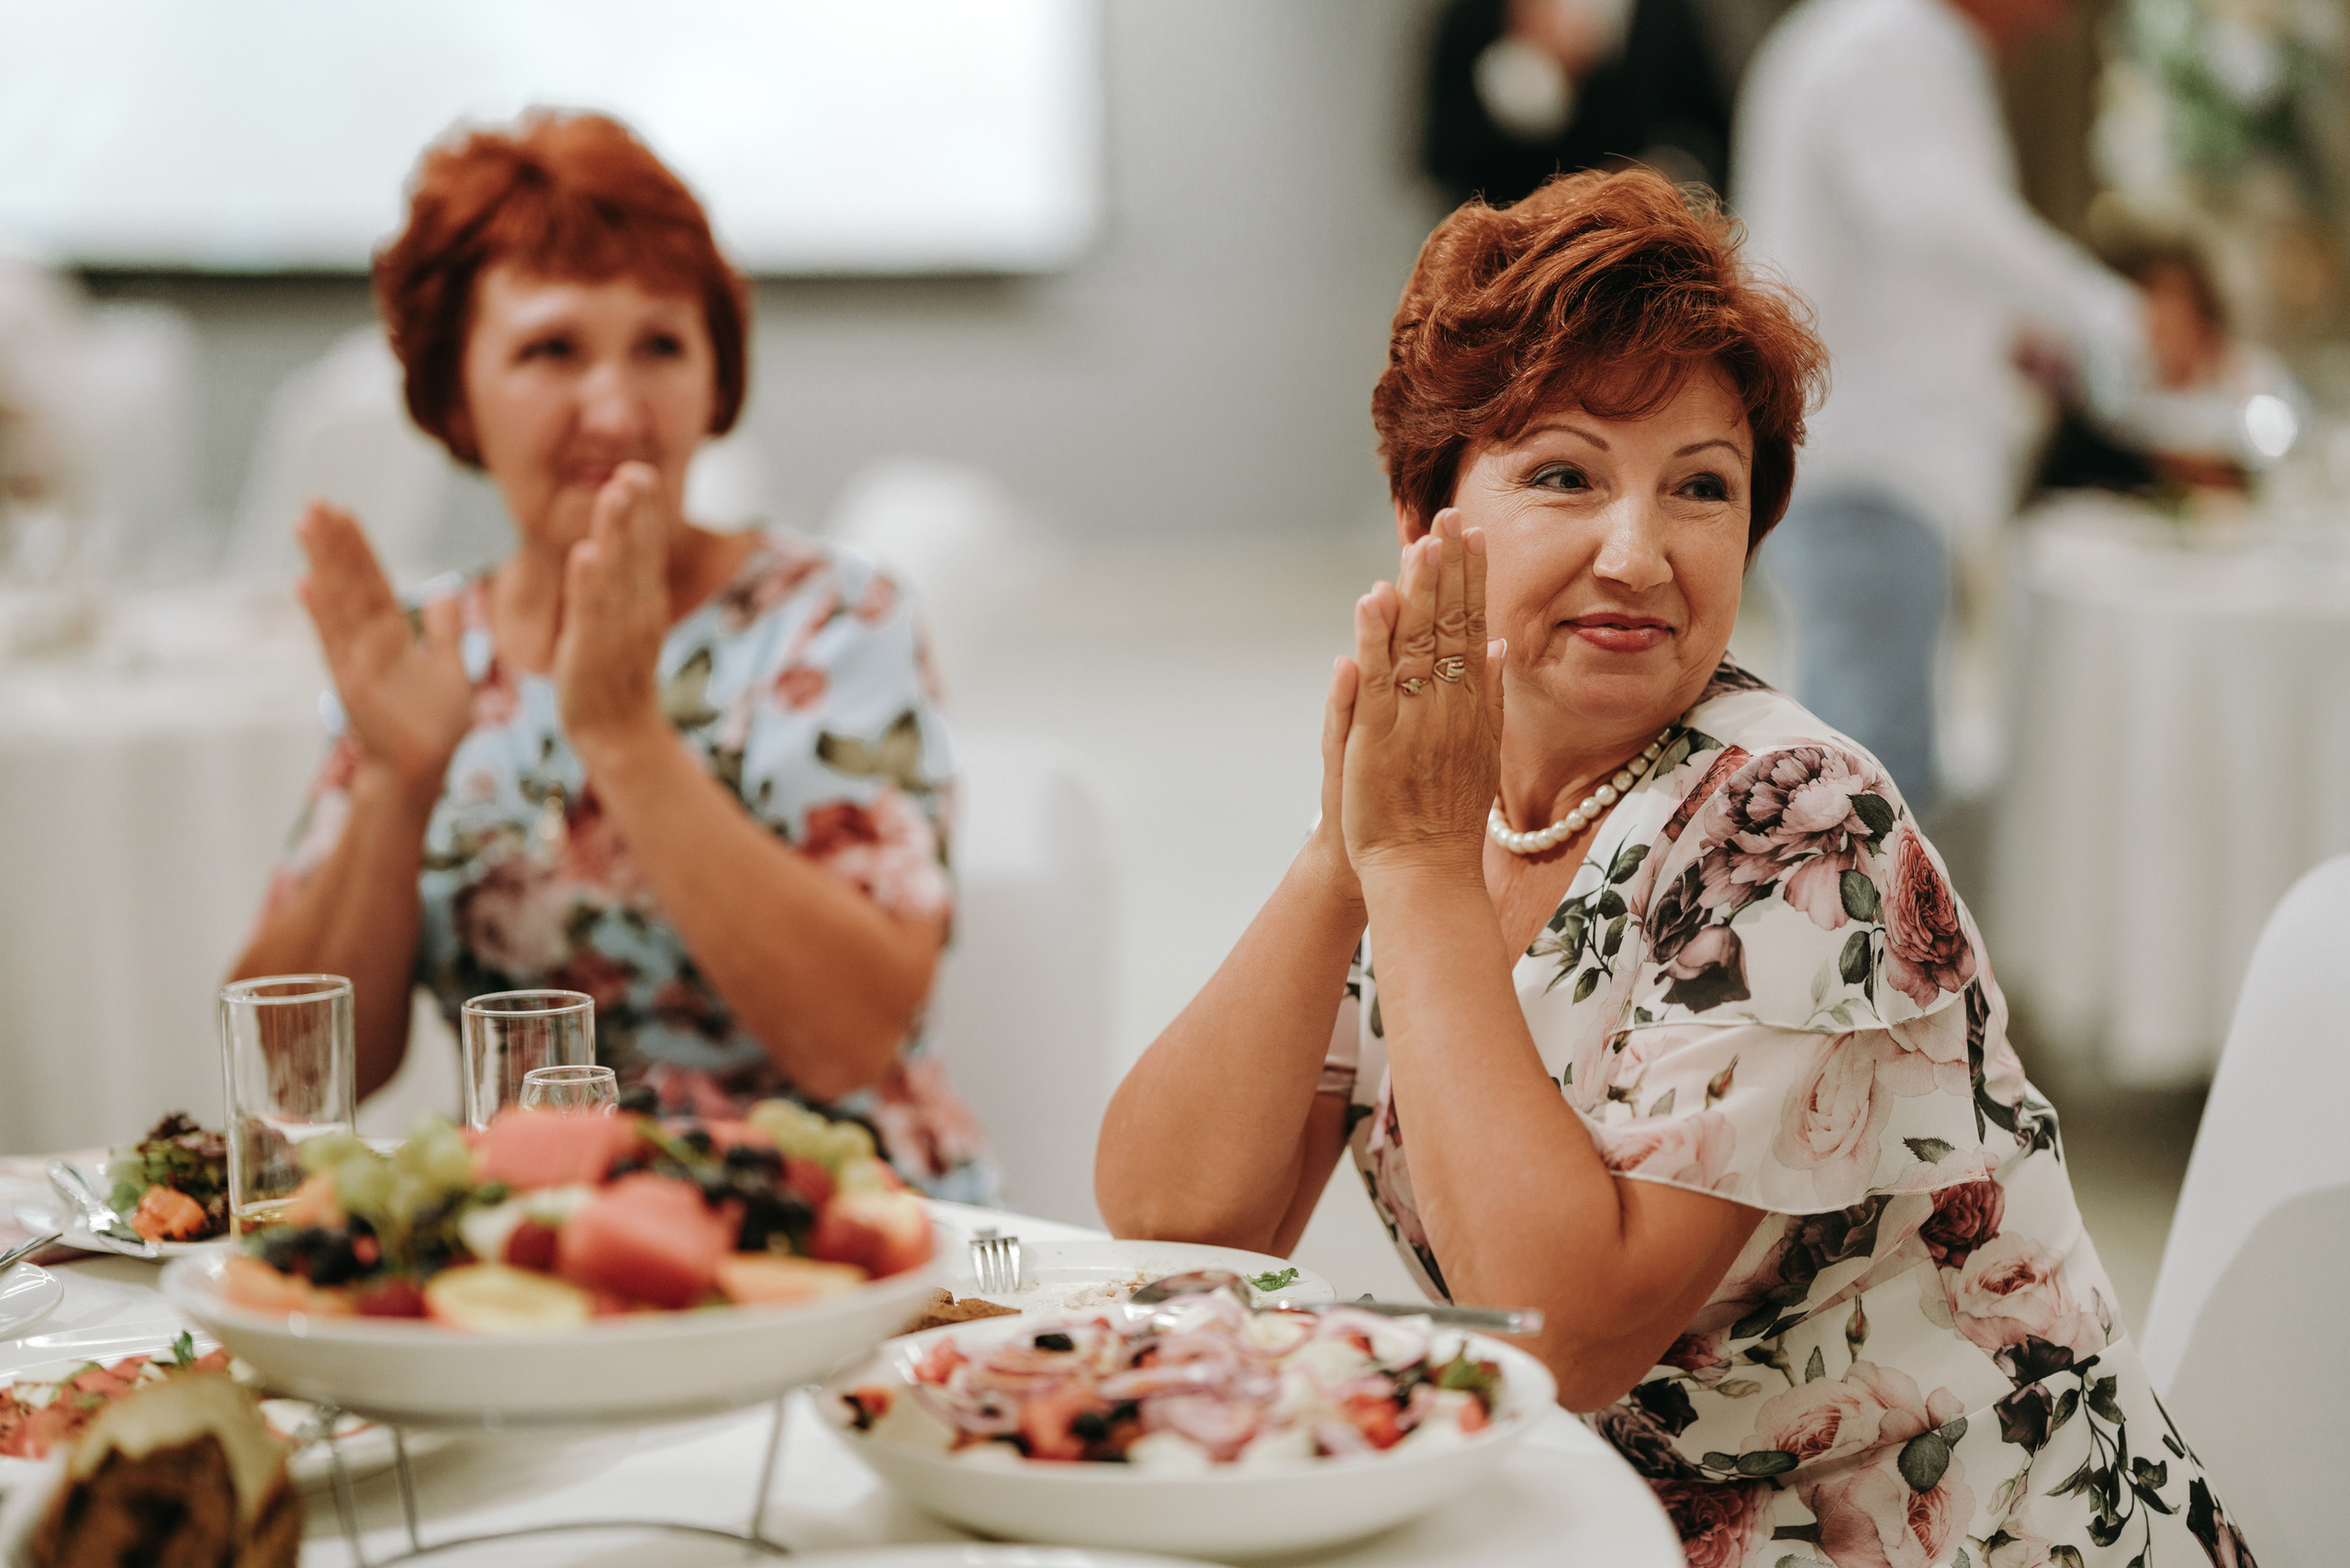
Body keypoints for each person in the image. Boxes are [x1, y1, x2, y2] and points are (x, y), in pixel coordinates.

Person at [1097, 170, 2253, 1567]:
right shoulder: (1444, 802)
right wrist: (1343, 854)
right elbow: (1173, 1219)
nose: (1636, 554)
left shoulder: (1804, 823)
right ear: (1427, 521)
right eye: (1565, 474)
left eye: (1700, 488)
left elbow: (1562, 1330)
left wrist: (1407, 874)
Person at [229, 112, 994, 1201]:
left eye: (661, 346)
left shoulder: (830, 619)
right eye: (552, 349)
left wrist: (625, 734)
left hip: (838, 1239)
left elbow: (851, 1039)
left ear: (715, 379)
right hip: (528, 1245)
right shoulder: (426, 654)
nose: (618, 408)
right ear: (454, 393)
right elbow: (288, 1075)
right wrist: (397, 784)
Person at [1732, 0, 2149, 811]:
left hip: (1866, 456)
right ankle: (1872, 943)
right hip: (1868, 460)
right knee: (1868, 780)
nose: (2060, 20)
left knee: (1862, 751)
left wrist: (2019, 336)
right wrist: (2107, 313)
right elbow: (1936, 216)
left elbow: (1909, 251)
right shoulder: (1894, 41)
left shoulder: (1876, 37)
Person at [1424, 0, 1733, 207]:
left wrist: (1657, 175)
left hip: (1627, 263)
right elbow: (1444, 159)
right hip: (1503, 263)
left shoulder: (1661, 16)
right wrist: (1530, 73)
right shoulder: (1475, 14)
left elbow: (1711, 141)